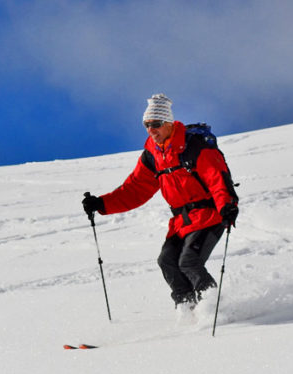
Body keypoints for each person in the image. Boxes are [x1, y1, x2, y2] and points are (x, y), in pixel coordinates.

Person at [83, 93, 239, 308]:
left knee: (189, 263)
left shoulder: (194, 147)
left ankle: (216, 309)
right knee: (167, 262)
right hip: (181, 223)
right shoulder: (152, 155)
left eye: (155, 124)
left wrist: (227, 206)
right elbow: (135, 189)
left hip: (209, 216)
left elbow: (217, 179)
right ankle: (188, 308)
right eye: (146, 125)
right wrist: (102, 204)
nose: (151, 130)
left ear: (168, 123)